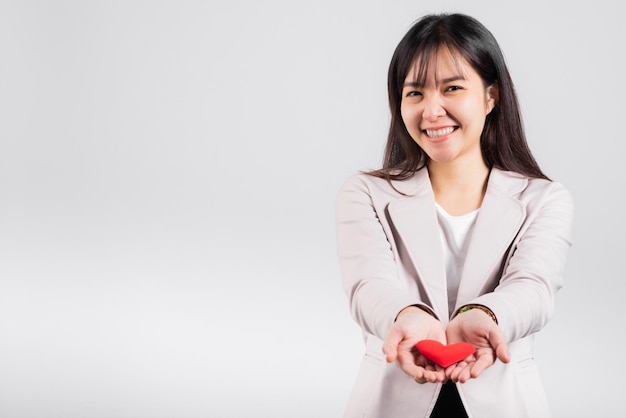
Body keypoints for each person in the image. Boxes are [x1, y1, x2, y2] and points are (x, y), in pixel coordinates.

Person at [335, 13, 574, 418]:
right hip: (392, 400)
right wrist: (409, 317)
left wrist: (482, 315)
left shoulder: (545, 198)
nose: (432, 111)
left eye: (452, 88)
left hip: (504, 401)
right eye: (414, 93)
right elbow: (368, 286)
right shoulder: (365, 194)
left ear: (490, 95)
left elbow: (533, 288)